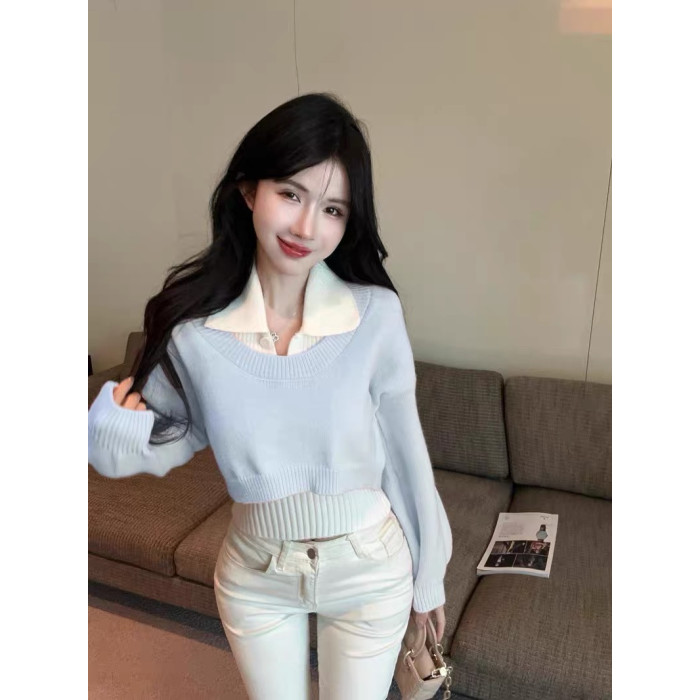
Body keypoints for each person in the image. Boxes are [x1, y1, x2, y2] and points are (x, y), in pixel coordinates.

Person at [87, 92, 453, 699]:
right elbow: (171, 438)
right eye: (290, 194)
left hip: (369, 568)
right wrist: (109, 434)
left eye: (332, 209)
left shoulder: (375, 316)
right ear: (247, 190)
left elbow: (405, 452)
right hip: (257, 571)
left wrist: (429, 575)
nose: (307, 228)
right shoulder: (195, 332)